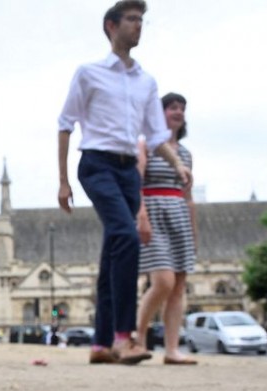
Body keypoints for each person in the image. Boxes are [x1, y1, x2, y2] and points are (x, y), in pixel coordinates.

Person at [57, 0, 192, 365]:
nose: (138, 26)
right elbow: (66, 124)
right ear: (111, 26)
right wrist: (64, 181)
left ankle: (100, 344)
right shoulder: (88, 73)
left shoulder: (146, 82)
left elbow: (156, 133)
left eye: (141, 20)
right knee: (126, 237)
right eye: (132, 20)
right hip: (97, 164)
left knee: (111, 252)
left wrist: (178, 164)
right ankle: (123, 337)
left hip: (128, 169)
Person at [134, 92, 198, 365]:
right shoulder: (145, 145)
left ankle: (172, 349)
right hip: (154, 211)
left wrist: (194, 234)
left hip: (179, 215)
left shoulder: (185, 154)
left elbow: (188, 196)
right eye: (172, 107)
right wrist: (141, 215)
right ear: (159, 114)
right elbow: (136, 183)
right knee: (163, 281)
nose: (178, 112)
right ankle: (138, 339)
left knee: (179, 287)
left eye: (182, 108)